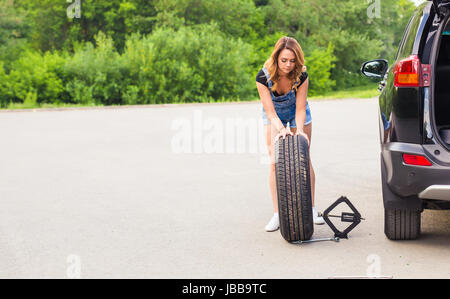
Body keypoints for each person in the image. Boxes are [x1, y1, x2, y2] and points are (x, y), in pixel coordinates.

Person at [256, 36, 325, 232]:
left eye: (292, 60)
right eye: (284, 60)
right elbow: (270, 112)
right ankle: (278, 214)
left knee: (304, 157)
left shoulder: (301, 75)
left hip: (297, 112)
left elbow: (301, 108)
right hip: (274, 114)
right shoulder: (263, 77)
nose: (288, 65)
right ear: (276, 58)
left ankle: (311, 209)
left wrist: (300, 131)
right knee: (274, 161)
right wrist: (281, 129)